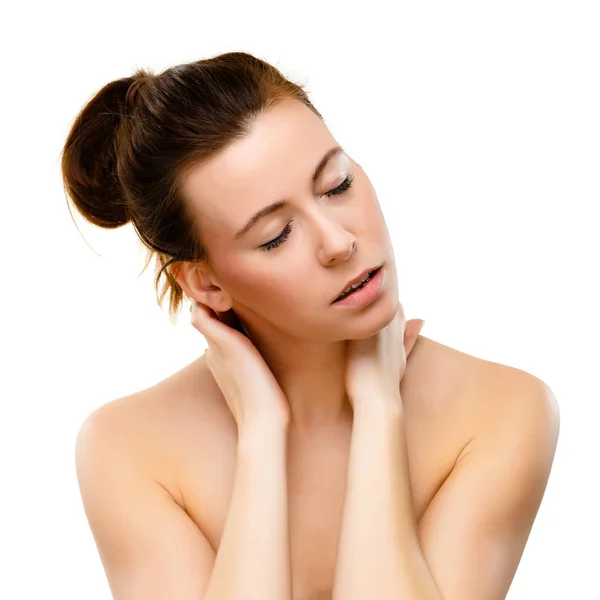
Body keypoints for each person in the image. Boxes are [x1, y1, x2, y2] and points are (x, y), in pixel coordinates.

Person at [65, 51, 560, 600]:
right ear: (207, 284)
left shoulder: (502, 410)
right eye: (276, 235)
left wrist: (378, 411)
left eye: (337, 184)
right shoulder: (129, 448)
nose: (339, 242)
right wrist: (260, 433)